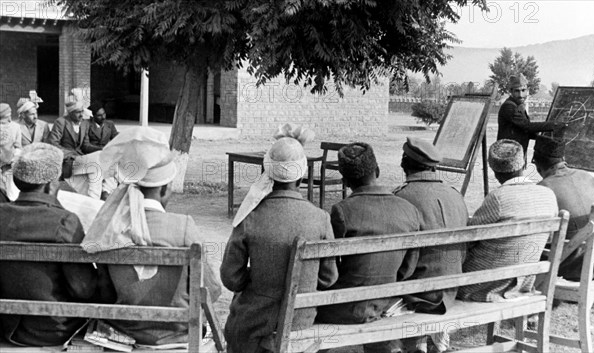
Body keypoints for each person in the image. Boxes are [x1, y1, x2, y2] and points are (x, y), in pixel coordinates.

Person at [81, 127, 222, 345]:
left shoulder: (109, 229)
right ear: (165, 189)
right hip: (179, 333)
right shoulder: (183, 226)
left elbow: (105, 292)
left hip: (125, 333)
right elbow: (211, 289)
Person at [221, 127, 338, 353]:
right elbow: (328, 278)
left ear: (268, 172)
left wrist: (256, 283)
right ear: (302, 176)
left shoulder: (250, 217)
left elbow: (231, 278)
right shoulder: (321, 218)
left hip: (256, 323)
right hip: (302, 321)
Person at [315, 142, 421, 353]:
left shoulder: (342, 211)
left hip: (344, 307)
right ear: (378, 171)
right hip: (384, 301)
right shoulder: (408, 210)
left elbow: (329, 272)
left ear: (345, 180)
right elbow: (407, 270)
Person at [0, 142, 99, 346]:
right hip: (51, 329)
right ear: (51, 184)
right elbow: (83, 289)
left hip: (4, 325)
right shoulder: (64, 222)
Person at [393, 137, 469, 353]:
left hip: (418, 293)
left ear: (404, 164)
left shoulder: (402, 198)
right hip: (451, 289)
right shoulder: (455, 195)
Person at [458, 139, 558, 302]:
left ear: (494, 171)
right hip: (522, 284)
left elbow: (468, 239)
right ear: (524, 164)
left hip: (481, 286)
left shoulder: (497, 198)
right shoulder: (547, 194)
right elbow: (550, 238)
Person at [533, 135, 594, 281]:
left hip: (567, 261)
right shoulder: (586, 176)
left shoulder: (544, 187)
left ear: (538, 165)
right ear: (563, 158)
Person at [497, 73, 566, 163]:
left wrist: (544, 137)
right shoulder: (509, 107)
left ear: (527, 91)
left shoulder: (518, 105)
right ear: (511, 91)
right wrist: (555, 124)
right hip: (508, 154)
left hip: (515, 153)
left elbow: (524, 131)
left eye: (523, 90)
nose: (521, 95)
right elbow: (527, 126)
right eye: (517, 91)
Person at [48, 100, 102, 199]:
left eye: (82, 111)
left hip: (80, 160)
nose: (81, 115)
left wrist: (102, 149)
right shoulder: (61, 122)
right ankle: (96, 199)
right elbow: (53, 144)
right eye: (78, 112)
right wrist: (71, 155)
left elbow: (85, 145)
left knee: (101, 157)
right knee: (97, 165)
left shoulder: (84, 124)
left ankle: (95, 199)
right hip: (66, 161)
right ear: (70, 113)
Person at [0, 103, 22, 200]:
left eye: (9, 115)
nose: (8, 119)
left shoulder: (15, 127)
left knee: (11, 190)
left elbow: (18, 146)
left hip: (9, 163)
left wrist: (15, 158)